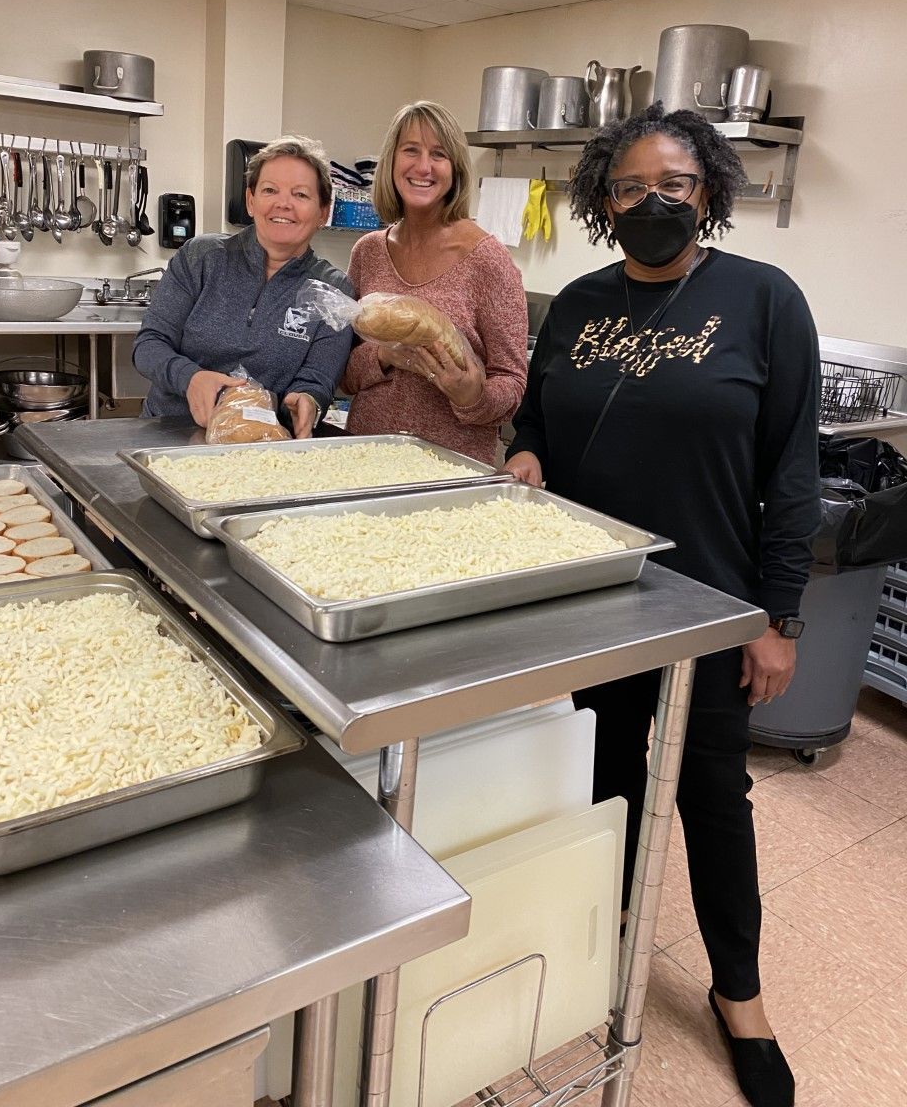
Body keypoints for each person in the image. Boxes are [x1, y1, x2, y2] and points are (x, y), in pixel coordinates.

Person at [506, 102, 820, 1107]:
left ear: (709, 192)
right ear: (605, 199)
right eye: (632, 187)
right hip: (594, 600)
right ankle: (609, 948)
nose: (654, 202)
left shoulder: (764, 299)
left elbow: (794, 471)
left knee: (711, 800)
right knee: (603, 778)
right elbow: (535, 420)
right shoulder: (579, 303)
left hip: (710, 607)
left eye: (675, 184)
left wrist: (779, 616)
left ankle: (741, 993)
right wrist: (526, 453)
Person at [340, 100, 527, 465]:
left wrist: (472, 397)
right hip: (362, 460)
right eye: (411, 150)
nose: (423, 167)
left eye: (438, 154)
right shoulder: (368, 251)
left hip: (449, 474)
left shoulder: (488, 259)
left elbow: (513, 384)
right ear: (392, 162)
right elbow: (341, 373)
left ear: (454, 169)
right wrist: (384, 354)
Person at [133, 135, 353, 437]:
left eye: (301, 195)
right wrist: (190, 379)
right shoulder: (201, 257)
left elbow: (318, 377)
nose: (283, 204)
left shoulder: (333, 288)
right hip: (170, 433)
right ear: (251, 201)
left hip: (262, 447)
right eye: (270, 190)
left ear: (323, 212)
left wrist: (309, 399)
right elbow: (148, 344)